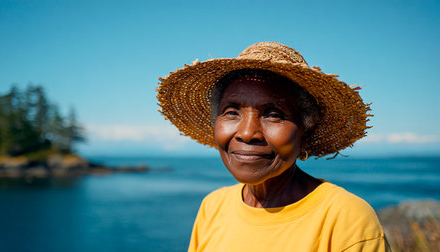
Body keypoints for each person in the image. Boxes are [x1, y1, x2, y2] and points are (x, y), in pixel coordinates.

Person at [157, 42, 391, 251]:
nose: (248, 133)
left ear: (305, 130)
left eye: (273, 114)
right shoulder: (213, 207)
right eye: (231, 112)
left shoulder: (345, 219)